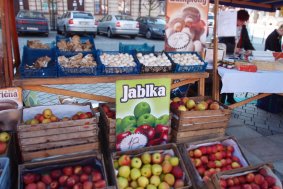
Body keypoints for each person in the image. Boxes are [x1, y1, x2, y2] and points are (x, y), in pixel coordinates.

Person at [219, 9, 255, 104]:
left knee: (233, 78)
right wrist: (232, 49)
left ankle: (230, 97)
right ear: (236, 18)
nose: (242, 23)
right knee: (225, 78)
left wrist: (249, 49)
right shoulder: (227, 26)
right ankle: (221, 98)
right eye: (240, 20)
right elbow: (222, 41)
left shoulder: (243, 28)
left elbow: (247, 41)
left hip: (236, 57)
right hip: (225, 56)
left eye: (243, 21)